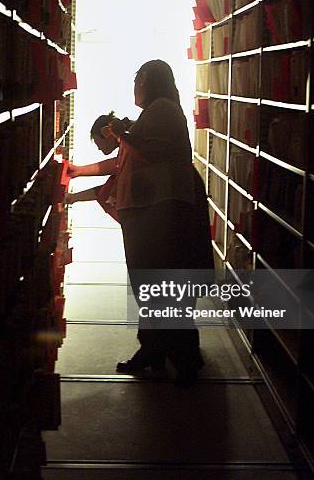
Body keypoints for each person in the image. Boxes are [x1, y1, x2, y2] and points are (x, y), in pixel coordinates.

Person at [68, 60, 212, 385]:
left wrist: (122, 132)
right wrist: (79, 171)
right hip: (149, 213)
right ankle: (154, 351)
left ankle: (184, 357)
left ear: (150, 82)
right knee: (150, 288)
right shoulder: (154, 113)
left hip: (160, 213)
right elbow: (122, 161)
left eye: (139, 80)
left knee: (160, 287)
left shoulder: (163, 109)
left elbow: (149, 153)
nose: (135, 87)